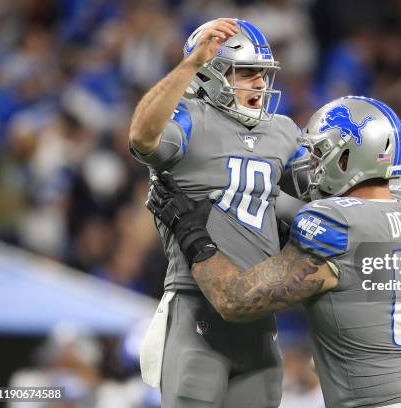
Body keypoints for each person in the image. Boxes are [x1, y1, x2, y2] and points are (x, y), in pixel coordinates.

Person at [147, 96, 401, 408]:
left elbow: (235, 301)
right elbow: (396, 198)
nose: (313, 164)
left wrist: (192, 234)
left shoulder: (335, 221)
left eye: (320, 153)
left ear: (347, 159)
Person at [128, 18, 305, 408]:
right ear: (212, 74)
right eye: (246, 71)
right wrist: (187, 66)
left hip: (261, 314)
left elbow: (334, 186)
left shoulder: (283, 130)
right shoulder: (189, 117)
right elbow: (141, 137)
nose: (260, 82)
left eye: (263, 73)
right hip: (196, 308)